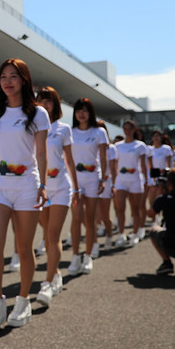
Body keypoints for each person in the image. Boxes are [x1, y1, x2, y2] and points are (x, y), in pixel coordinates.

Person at [0, 58, 49, 331]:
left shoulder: (38, 114)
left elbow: (42, 153)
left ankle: (23, 300)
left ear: (24, 80)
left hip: (26, 187)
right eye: (3, 77)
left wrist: (43, 184)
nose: (7, 81)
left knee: (23, 247)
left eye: (13, 76)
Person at [34, 87, 77, 306]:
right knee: (46, 232)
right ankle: (56, 271)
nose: (44, 103)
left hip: (60, 187)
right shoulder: (31, 126)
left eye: (49, 100)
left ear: (55, 104)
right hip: (40, 188)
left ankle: (48, 282)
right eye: (40, 99)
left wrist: (76, 189)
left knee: (53, 235)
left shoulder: (63, 129)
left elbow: (69, 161)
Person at [67, 97, 108, 276]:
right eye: (78, 111)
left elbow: (104, 157)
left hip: (92, 179)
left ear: (90, 113)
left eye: (85, 110)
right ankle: (76, 255)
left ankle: (88, 255)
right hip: (74, 180)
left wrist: (103, 179)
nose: (81, 114)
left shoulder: (99, 132)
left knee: (90, 220)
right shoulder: (70, 131)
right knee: (76, 219)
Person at [112, 121, 149, 248]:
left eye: (130, 129)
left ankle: (134, 233)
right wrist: (113, 181)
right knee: (120, 208)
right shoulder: (117, 146)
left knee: (135, 209)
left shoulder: (140, 146)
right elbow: (115, 165)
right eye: (125, 129)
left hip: (135, 180)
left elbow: (144, 165)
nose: (127, 131)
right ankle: (121, 234)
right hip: (121, 180)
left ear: (134, 130)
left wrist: (147, 180)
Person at [93, 122, 115, 257]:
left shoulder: (111, 149)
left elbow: (112, 168)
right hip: (93, 182)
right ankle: (94, 243)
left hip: (106, 182)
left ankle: (109, 235)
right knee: (94, 216)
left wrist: (113, 184)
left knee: (105, 215)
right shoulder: (90, 146)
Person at [146, 130, 173, 220]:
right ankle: (154, 220)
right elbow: (149, 163)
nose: (156, 138)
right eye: (154, 136)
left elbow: (168, 164)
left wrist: (165, 176)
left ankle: (162, 218)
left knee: (161, 198)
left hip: (163, 176)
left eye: (158, 136)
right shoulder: (149, 149)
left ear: (161, 138)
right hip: (153, 176)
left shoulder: (166, 149)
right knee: (152, 199)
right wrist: (154, 178)